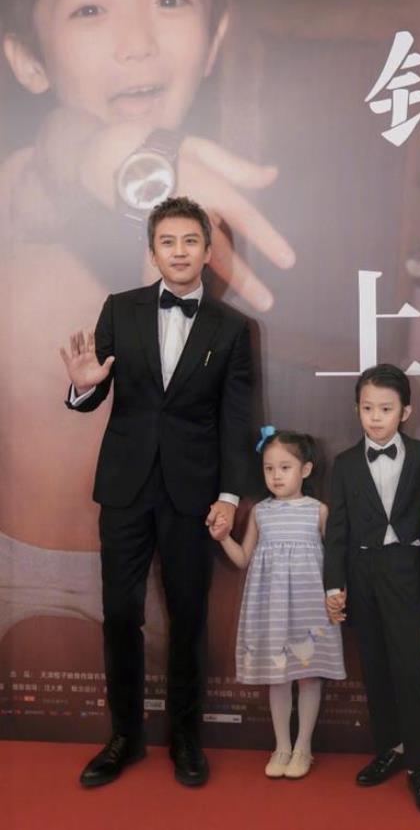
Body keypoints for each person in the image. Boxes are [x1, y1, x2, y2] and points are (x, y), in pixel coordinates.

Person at [0, 0, 293, 690]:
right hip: (46, 586)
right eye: (89, 10)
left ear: (217, 34)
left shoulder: (218, 205)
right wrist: (115, 157)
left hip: (185, 556)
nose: (136, 40)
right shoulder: (23, 187)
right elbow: (61, 159)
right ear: (27, 59)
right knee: (76, 704)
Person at [60, 196, 252, 788]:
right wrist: (82, 388)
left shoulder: (233, 328)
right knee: (120, 614)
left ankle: (186, 739)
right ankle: (124, 737)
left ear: (208, 251)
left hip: (193, 492)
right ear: (152, 251)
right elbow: (95, 388)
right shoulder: (120, 309)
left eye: (190, 241)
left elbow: (237, 419)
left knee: (189, 615)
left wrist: (230, 496)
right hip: (125, 487)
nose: (179, 251)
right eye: (168, 242)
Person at [324, 364, 420, 816]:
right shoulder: (345, 463)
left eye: (386, 409)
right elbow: (336, 532)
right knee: (373, 667)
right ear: (357, 409)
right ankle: (389, 749)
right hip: (362, 573)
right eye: (367, 408)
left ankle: (419, 766)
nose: (375, 417)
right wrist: (333, 585)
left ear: (406, 412)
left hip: (406, 570)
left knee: (408, 669)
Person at [218, 428, 345, 779]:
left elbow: (336, 561)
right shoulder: (260, 512)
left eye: (285, 468)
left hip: (309, 608)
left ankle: (303, 747)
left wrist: (337, 593)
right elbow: (243, 558)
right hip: (271, 609)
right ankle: (282, 746)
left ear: (306, 470)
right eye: (269, 468)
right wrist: (224, 537)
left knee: (309, 677)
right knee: (278, 678)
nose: (276, 476)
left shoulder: (319, 511)